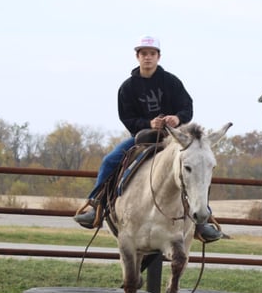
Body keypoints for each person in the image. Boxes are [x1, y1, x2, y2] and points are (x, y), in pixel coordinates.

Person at [73, 35, 224, 242]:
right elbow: (127, 118)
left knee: (194, 166)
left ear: (158, 57)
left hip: (174, 140)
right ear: (137, 56)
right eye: (144, 54)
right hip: (143, 137)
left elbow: (187, 106)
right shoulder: (127, 87)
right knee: (110, 160)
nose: (148, 58)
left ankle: (203, 219)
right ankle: (96, 206)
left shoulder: (171, 82)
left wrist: (177, 118)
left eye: (152, 54)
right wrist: (148, 124)